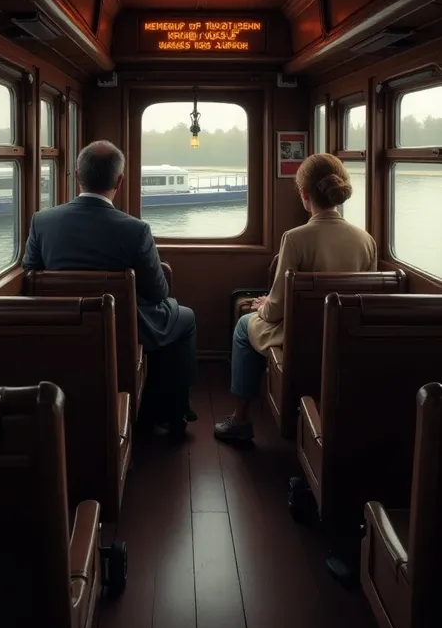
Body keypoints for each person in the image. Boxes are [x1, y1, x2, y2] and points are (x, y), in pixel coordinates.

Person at [22, 140, 197, 436]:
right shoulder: (135, 229)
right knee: (184, 317)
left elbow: (31, 276)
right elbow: (157, 293)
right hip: (123, 327)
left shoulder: (42, 221)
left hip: (62, 326)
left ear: (77, 175)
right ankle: (172, 411)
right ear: (120, 181)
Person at [214, 152, 377, 442]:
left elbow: (277, 309)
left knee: (244, 326)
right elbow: (367, 299)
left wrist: (263, 306)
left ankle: (240, 419)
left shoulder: (296, 238)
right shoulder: (366, 241)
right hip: (345, 336)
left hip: (300, 335)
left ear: (304, 195)